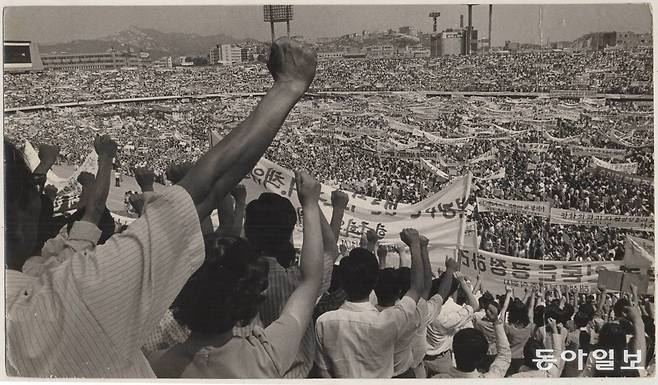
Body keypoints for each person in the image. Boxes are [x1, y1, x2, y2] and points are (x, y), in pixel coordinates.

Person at [4, 36, 317, 378]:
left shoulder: (163, 361)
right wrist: (289, 85)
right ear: (17, 220)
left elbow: (88, 227)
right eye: (34, 195)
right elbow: (200, 194)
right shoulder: (71, 295)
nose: (41, 199)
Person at [148, 170, 325, 378]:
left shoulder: (152, 364)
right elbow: (311, 281)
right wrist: (310, 205)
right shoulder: (265, 356)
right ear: (248, 303)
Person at [246, 188, 347, 378]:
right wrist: (314, 202)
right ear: (290, 231)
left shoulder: (234, 279)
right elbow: (329, 249)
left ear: (248, 230)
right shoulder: (298, 281)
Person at [314, 228, 426, 378]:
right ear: (375, 283)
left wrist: (371, 244)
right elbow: (417, 288)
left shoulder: (324, 322)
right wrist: (415, 245)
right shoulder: (389, 320)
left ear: (343, 283)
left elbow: (324, 373)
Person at [432, 295, 511, 378]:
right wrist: (496, 322)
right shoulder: (490, 379)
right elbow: (504, 356)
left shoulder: (438, 378)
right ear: (480, 359)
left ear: (453, 350)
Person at [424, 266, 480, 376]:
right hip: (441, 360)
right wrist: (462, 282)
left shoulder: (424, 304)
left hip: (421, 357)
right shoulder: (452, 312)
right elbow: (474, 305)